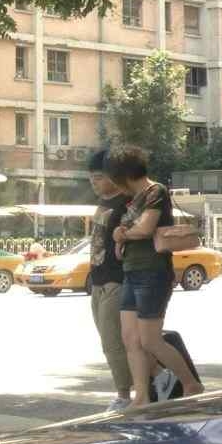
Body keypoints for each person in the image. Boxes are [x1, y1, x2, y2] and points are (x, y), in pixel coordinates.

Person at [107, 145, 203, 403]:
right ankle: (141, 397)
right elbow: (127, 236)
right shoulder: (133, 200)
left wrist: (123, 234)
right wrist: (120, 235)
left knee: (150, 340)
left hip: (152, 272)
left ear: (124, 176)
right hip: (131, 271)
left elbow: (145, 228)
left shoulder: (155, 192)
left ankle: (190, 384)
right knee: (130, 339)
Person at [85, 149, 133, 411]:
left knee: (114, 339)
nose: (94, 182)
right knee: (107, 340)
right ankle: (146, 384)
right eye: (91, 178)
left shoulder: (127, 203)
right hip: (97, 280)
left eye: (99, 177)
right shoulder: (102, 204)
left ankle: (124, 395)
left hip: (116, 279)